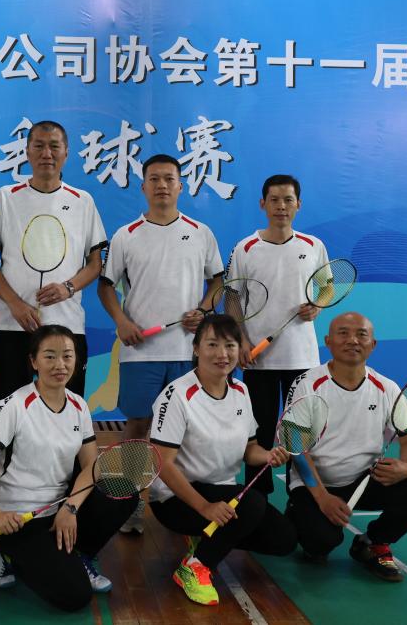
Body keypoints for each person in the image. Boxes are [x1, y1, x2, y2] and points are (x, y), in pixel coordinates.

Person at [99, 153, 223, 534]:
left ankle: (181, 502)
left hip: (188, 353)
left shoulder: (200, 232)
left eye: (169, 179)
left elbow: (218, 281)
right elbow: (106, 286)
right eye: (154, 179)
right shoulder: (126, 235)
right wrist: (122, 322)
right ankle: (132, 503)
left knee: (186, 430)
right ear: (143, 187)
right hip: (141, 353)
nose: (162, 185)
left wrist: (204, 310)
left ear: (181, 186)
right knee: (138, 426)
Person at [0, 325, 137, 612]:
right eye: (49, 356)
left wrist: (70, 508)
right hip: (17, 516)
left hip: (59, 507)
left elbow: (91, 466)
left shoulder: (78, 406)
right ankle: (7, 552)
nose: (60, 365)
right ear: (34, 361)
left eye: (67, 356)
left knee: (123, 492)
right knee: (75, 596)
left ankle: (80, 554)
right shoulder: (13, 405)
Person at [148, 314, 296, 606]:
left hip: (222, 493)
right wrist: (204, 507)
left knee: (284, 540)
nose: (222, 354)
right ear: (196, 348)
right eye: (212, 344)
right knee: (252, 502)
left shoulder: (241, 391)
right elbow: (162, 464)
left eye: (230, 345)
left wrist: (268, 455)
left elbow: (249, 449)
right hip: (175, 499)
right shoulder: (176, 395)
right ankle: (195, 567)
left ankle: (208, 535)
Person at [285, 312, 407, 582]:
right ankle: (300, 513)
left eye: (361, 334)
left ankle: (373, 542)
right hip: (316, 483)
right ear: (328, 341)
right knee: (320, 543)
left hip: (364, 480)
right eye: (343, 333)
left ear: (373, 344)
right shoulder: (307, 384)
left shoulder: (386, 387)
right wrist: (322, 498)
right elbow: (296, 448)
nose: (353, 340)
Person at [0, 121, 107, 408]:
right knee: (6, 413)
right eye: (38, 146)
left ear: (66, 152)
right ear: (27, 152)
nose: (46, 153)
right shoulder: (5, 197)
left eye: (54, 146)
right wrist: (15, 303)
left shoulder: (83, 201)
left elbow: (95, 264)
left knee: (65, 413)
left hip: (66, 326)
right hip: (11, 326)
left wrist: (68, 288)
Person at [226, 174, 328, 498]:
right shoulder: (245, 248)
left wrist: (317, 305)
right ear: (263, 204)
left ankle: (303, 495)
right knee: (260, 431)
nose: (281, 206)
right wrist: (241, 341)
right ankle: (257, 497)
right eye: (274, 200)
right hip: (259, 359)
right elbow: (232, 297)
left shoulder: (313, 246)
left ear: (298, 204)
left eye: (288, 200)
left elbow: (326, 287)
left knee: (300, 432)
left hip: (303, 357)